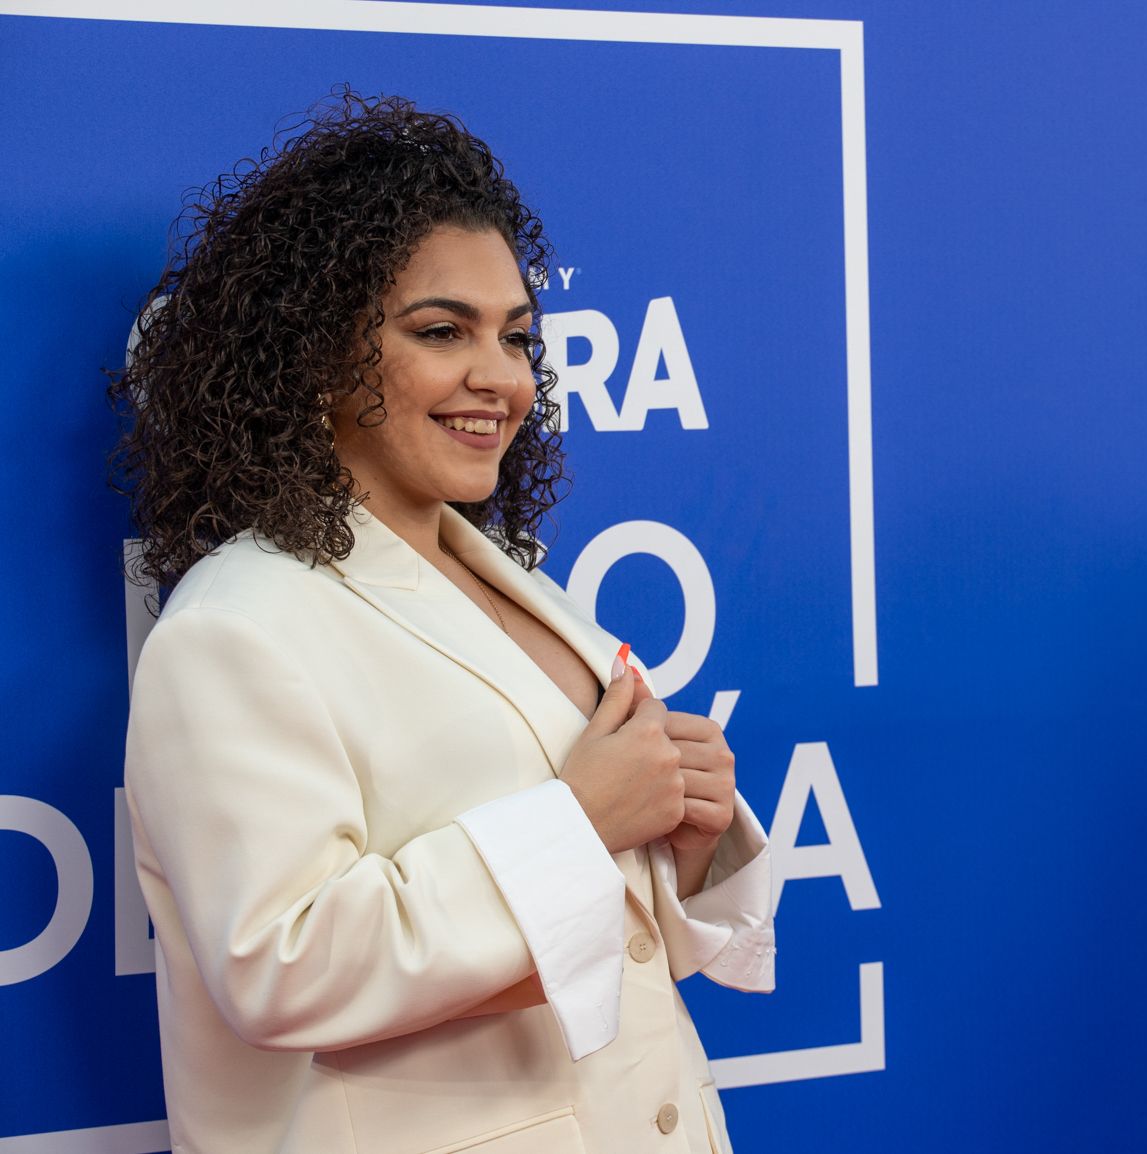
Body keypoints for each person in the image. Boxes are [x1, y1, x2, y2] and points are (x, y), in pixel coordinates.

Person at [113, 91, 773, 1154]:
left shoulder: (513, 576)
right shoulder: (235, 629)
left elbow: (600, 937)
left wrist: (681, 843)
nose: (499, 377)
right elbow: (278, 969)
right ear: (315, 354)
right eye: (440, 331)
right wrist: (580, 817)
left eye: (515, 336)